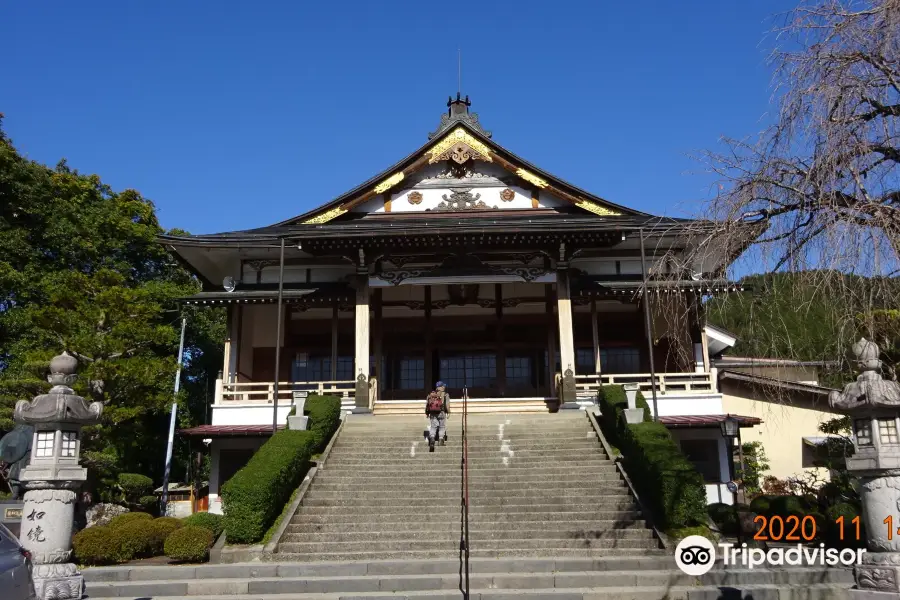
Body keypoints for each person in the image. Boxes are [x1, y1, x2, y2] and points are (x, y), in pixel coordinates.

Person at [425, 381, 450, 452]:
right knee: (442, 426)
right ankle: (441, 440)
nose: (444, 387)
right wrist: (448, 412)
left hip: (432, 413)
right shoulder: (445, 394)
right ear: (441, 387)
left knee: (433, 426)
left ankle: (432, 439)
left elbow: (427, 404)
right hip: (442, 413)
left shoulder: (431, 394)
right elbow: (447, 405)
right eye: (443, 386)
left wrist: (427, 413)